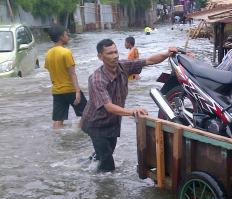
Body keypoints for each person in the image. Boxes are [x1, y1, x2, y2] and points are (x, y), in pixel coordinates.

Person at [81, 39, 178, 172]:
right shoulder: (97, 79)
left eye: (116, 52)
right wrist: (132, 111)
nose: (115, 56)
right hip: (96, 123)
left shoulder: (123, 66)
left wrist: (167, 53)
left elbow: (149, 61)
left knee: (106, 152)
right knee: (108, 166)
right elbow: (108, 106)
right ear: (100, 57)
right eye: (109, 53)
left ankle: (84, 166)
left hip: (112, 121)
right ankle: (104, 188)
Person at [44, 24, 87, 129]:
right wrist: (77, 91)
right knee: (87, 112)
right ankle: (79, 131)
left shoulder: (48, 54)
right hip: (70, 89)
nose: (67, 35)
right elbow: (72, 73)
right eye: (65, 34)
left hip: (57, 91)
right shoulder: (66, 52)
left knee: (58, 120)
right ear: (61, 37)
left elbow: (50, 72)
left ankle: (58, 140)